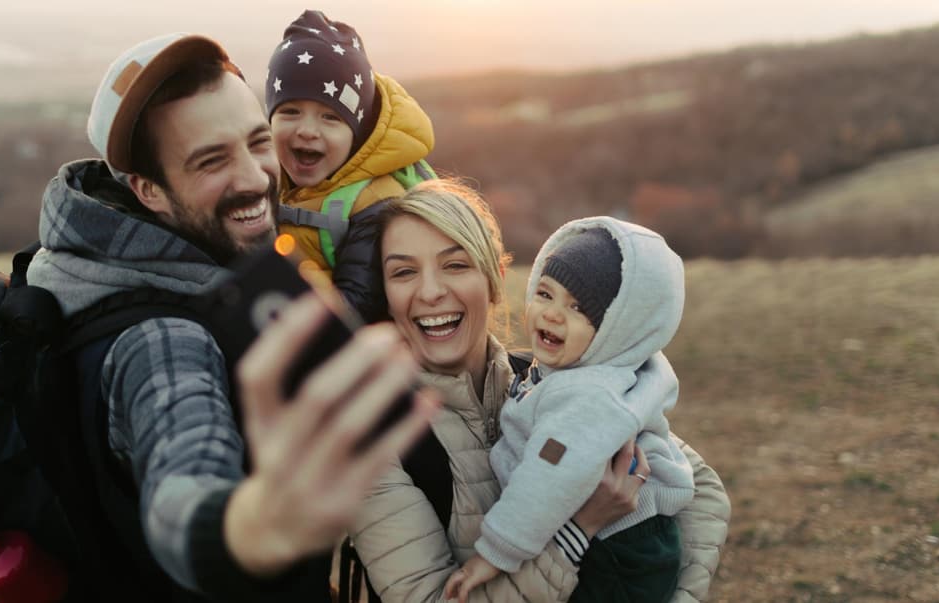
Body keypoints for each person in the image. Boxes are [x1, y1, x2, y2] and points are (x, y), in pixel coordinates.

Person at [25, 32, 435, 601]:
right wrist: (255, 526)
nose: (254, 178)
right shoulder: (161, 333)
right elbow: (181, 486)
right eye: (211, 161)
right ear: (149, 190)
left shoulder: (104, 254)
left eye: (258, 142)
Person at [347, 179, 732, 602]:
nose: (431, 292)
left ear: (494, 279)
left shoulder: (549, 380)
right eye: (404, 272)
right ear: (385, 296)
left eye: (455, 265)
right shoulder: (376, 439)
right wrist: (580, 530)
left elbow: (703, 491)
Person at [444, 216, 695, 603]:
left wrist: (493, 553)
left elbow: (547, 475)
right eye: (545, 294)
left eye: (578, 307)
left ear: (615, 330)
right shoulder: (582, 372)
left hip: (619, 549)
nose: (552, 314)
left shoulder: (586, 396)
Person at [265, 9, 435, 322]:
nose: (307, 130)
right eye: (290, 111)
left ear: (357, 135)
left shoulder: (375, 204)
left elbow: (358, 306)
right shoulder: (268, 178)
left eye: (330, 117)